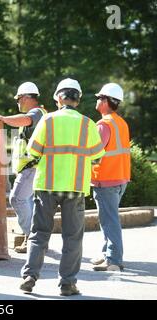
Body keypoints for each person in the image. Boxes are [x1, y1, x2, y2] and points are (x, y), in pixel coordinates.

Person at [19, 78, 105, 296]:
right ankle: (67, 284)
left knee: (39, 234)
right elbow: (97, 156)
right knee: (72, 238)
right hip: (74, 188)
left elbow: (33, 151)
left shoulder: (48, 120)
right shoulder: (88, 124)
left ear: (59, 97)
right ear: (78, 100)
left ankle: (30, 276)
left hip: (46, 186)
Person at [0, 82, 47, 253]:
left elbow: (26, 120)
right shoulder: (35, 114)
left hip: (33, 167)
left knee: (17, 199)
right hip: (30, 167)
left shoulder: (37, 113)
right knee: (28, 203)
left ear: (28, 97)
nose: (17, 102)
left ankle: (32, 238)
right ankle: (35, 239)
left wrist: (4, 119)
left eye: (19, 98)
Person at [90, 83, 130, 271]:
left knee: (109, 219)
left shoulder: (104, 125)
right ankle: (107, 252)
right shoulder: (120, 122)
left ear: (106, 101)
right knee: (108, 217)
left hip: (106, 179)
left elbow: (94, 154)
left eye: (99, 98)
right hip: (120, 178)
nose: (97, 101)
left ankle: (113, 260)